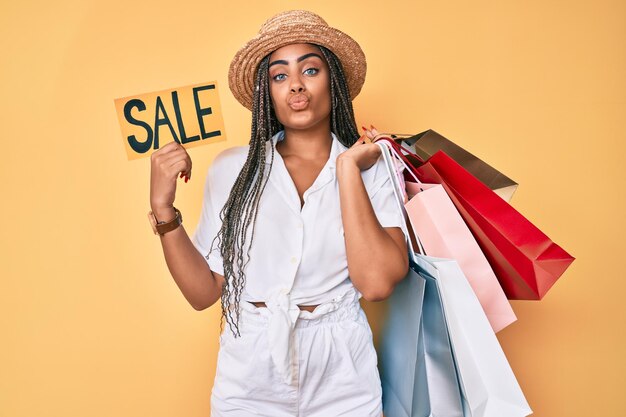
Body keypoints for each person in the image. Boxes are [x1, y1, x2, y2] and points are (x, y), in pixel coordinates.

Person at [149, 10, 409, 417]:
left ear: (333, 81)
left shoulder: (371, 167)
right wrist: (163, 210)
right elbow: (203, 294)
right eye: (280, 76)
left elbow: (375, 284)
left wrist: (347, 172)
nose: (297, 86)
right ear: (265, 92)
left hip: (342, 369)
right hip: (250, 367)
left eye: (310, 69)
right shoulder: (233, 169)